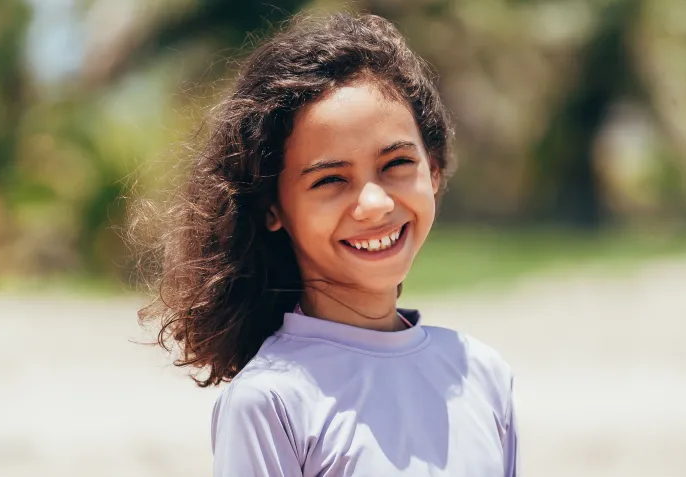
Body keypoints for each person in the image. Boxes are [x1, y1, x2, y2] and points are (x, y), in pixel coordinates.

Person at [135, 11, 518, 477]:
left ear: (433, 171)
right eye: (331, 179)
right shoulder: (270, 401)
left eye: (396, 163)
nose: (374, 203)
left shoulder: (480, 373)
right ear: (272, 208)